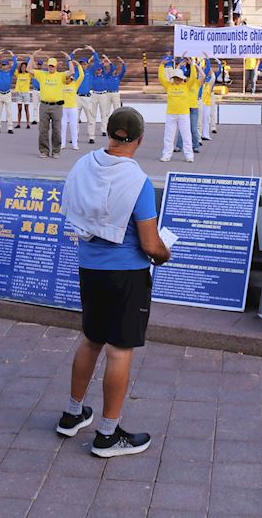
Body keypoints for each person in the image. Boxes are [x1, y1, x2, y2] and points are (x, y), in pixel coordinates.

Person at [57, 108, 170, 457]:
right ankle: (108, 433)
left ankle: (73, 414)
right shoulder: (139, 182)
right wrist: (165, 255)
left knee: (91, 339)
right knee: (119, 350)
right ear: (139, 139)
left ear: (108, 132)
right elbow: (150, 244)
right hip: (126, 274)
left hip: (89, 267)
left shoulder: (83, 165)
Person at [29, 52, 68, 159]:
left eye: (52, 66)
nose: (51, 67)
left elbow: (72, 72)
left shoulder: (60, 75)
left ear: (56, 66)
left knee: (56, 129)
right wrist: (32, 58)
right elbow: (28, 70)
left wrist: (69, 60)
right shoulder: (42, 74)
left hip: (57, 106)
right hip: (44, 105)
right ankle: (44, 151)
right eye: (49, 65)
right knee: (43, 129)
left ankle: (56, 151)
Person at [158, 59, 197, 163]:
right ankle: (166, 155)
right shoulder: (169, 86)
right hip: (171, 114)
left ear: (182, 78)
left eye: (179, 78)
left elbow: (193, 77)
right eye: (175, 78)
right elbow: (161, 78)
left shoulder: (186, 86)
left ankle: (189, 156)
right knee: (169, 136)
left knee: (186, 135)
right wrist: (161, 65)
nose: (177, 80)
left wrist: (191, 65)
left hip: (183, 114)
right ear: (173, 78)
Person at [0, 50, 18, 134]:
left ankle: (10, 128)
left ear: (8, 65)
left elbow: (16, 64)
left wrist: (12, 54)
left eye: (5, 64)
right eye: (2, 64)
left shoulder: (10, 72)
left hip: (7, 94)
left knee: (9, 112)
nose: (3, 66)